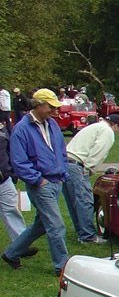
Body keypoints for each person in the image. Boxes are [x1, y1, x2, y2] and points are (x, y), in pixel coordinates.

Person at [2, 88, 69, 274]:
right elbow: (19, 161)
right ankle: (62, 266)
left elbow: (61, 151)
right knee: (56, 225)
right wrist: (38, 180)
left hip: (56, 181)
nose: (54, 111)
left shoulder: (52, 125)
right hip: (41, 185)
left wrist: (63, 173)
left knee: (41, 225)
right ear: (39, 105)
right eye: (51, 107)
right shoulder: (21, 129)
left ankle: (11, 253)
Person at [62, 115, 119, 243]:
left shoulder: (94, 127)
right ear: (115, 125)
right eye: (118, 129)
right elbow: (98, 151)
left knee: (74, 202)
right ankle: (88, 236)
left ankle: (81, 232)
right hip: (78, 165)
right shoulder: (107, 131)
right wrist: (89, 168)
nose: (117, 132)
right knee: (85, 201)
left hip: (65, 162)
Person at [0, 117, 37, 257]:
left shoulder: (3, 127)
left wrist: (11, 172)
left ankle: (21, 245)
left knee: (11, 210)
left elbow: (9, 150)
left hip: (4, 179)